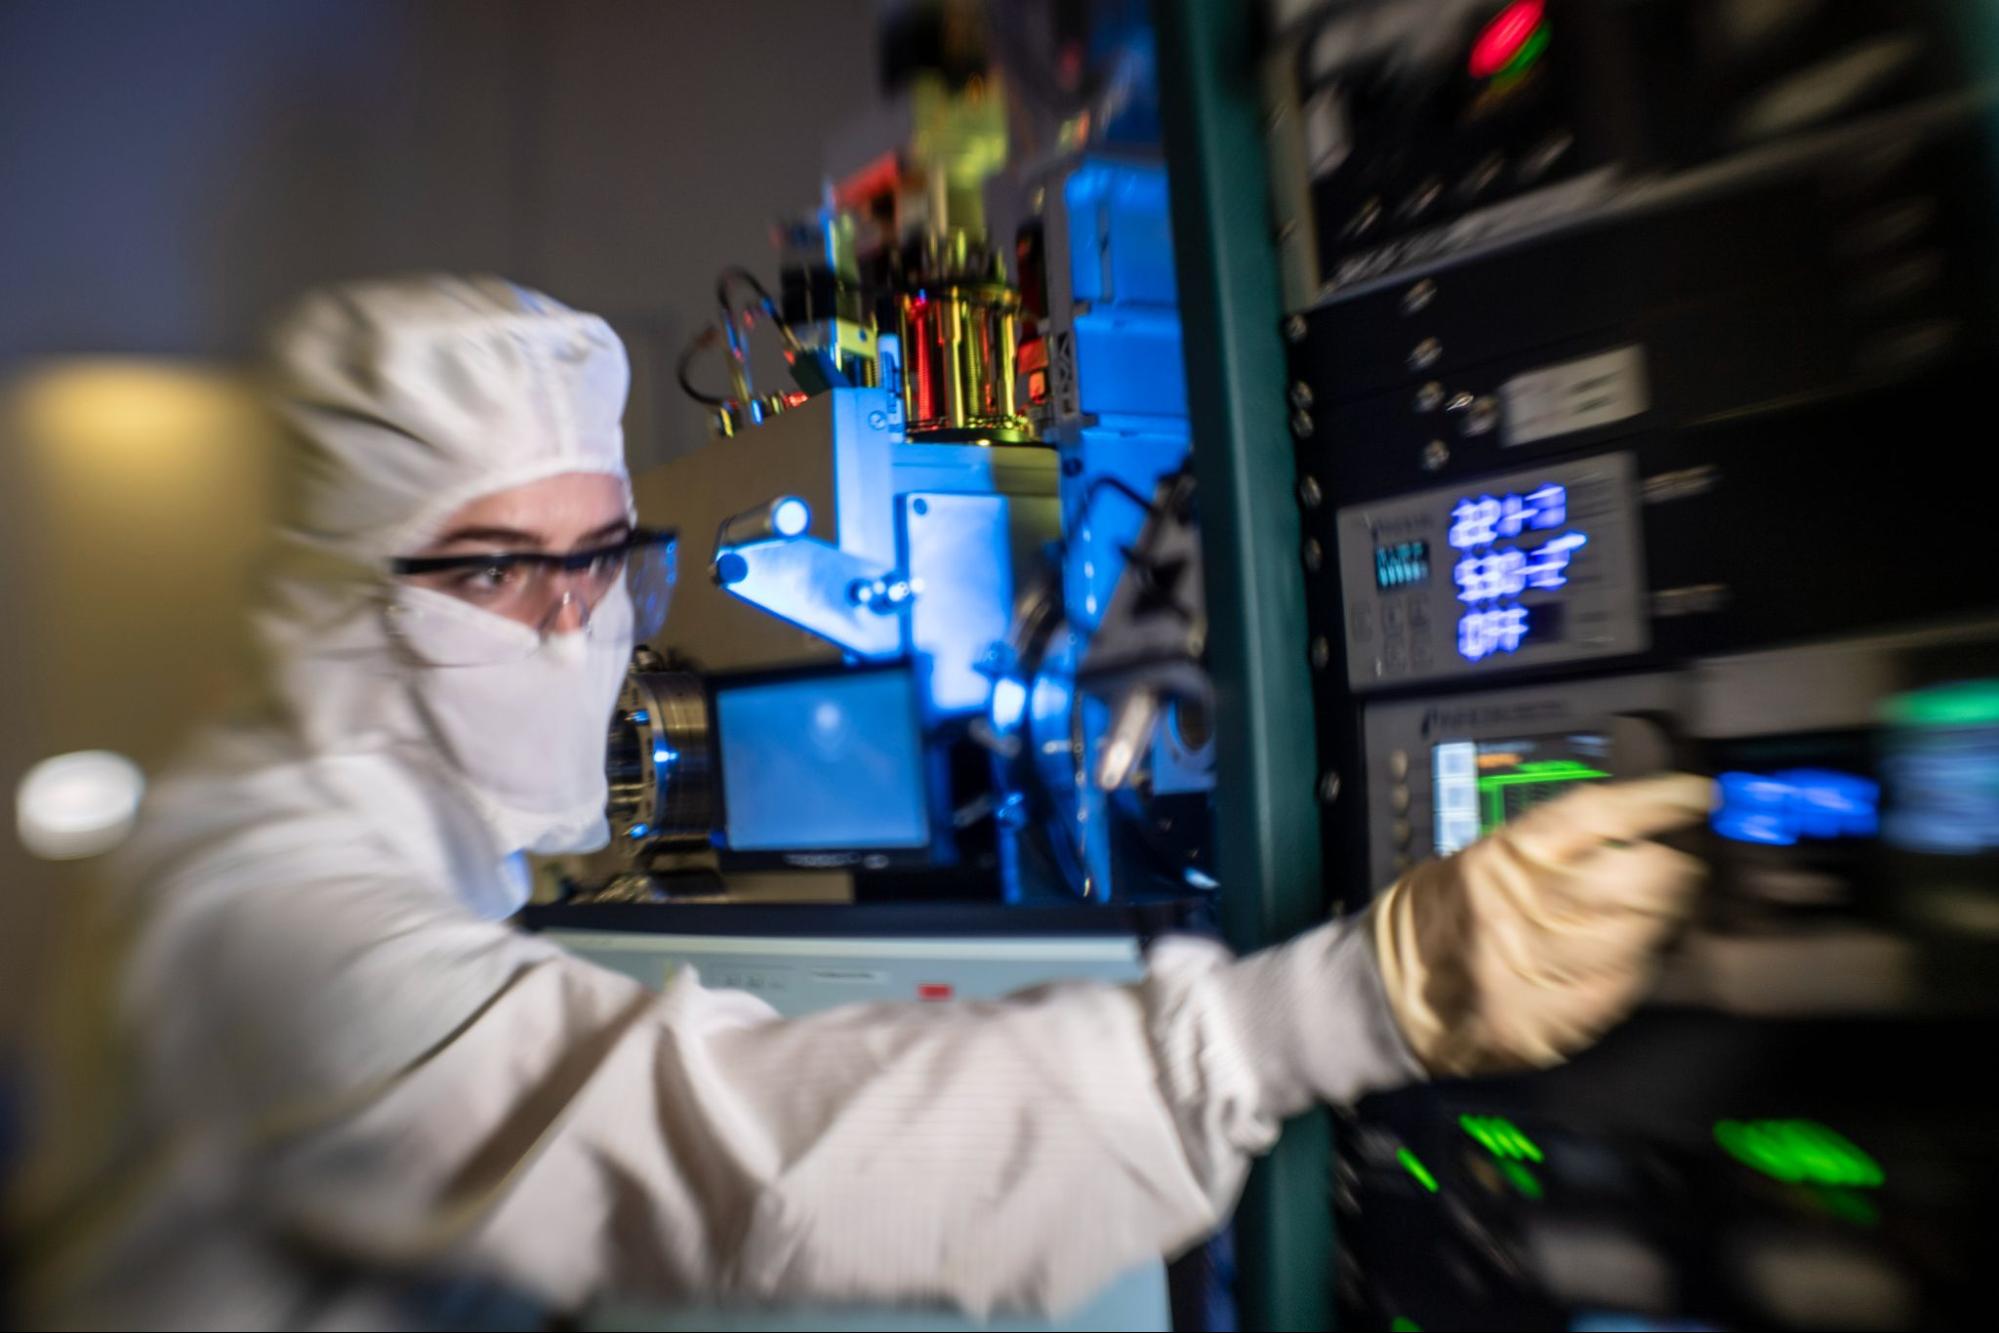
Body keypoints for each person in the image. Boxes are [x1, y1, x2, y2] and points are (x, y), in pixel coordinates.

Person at [4, 276, 1712, 1331]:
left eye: (605, 558)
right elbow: (742, 1156)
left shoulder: (385, 849)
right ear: (336, 595)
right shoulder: (262, 918)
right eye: (501, 567)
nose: (579, 626)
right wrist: (1343, 1007)